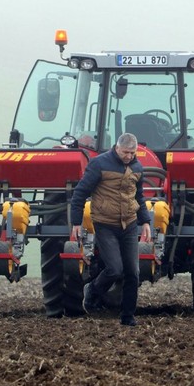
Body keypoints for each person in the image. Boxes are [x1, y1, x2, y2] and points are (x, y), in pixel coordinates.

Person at [70, 133, 151, 326]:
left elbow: (138, 197)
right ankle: (92, 291)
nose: (129, 156)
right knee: (115, 269)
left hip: (129, 225)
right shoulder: (99, 164)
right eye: (126, 152)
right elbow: (80, 193)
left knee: (133, 272)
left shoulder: (137, 168)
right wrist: (76, 222)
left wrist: (145, 221)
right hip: (105, 224)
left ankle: (128, 317)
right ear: (117, 148)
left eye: (132, 153)